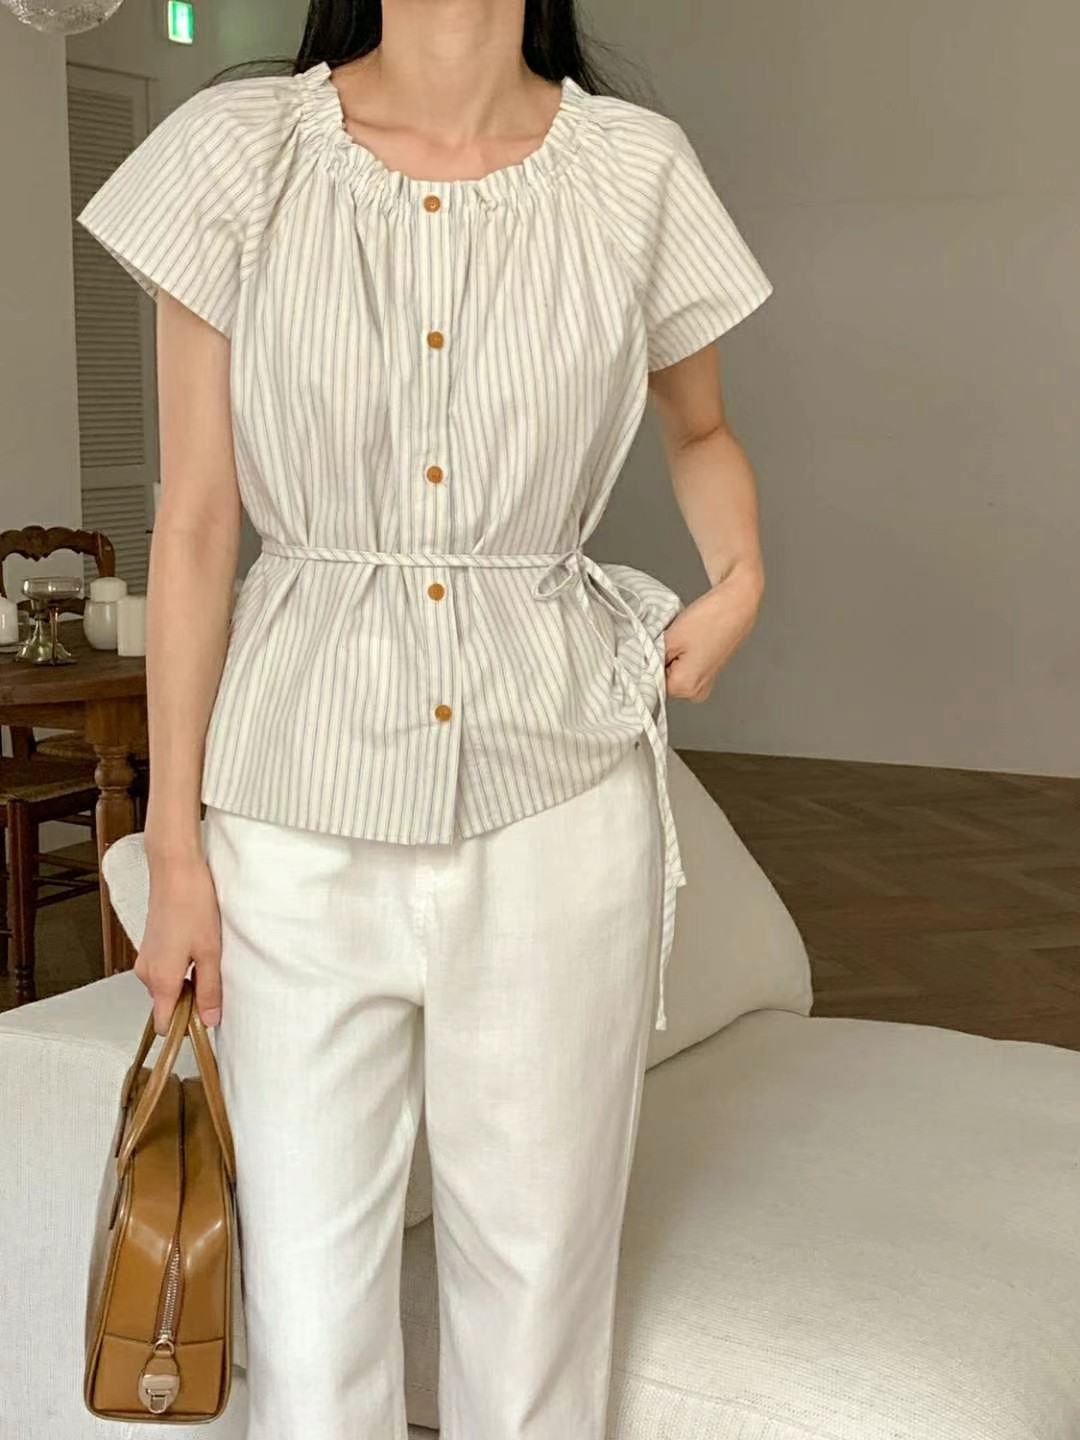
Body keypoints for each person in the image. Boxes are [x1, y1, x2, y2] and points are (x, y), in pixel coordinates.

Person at [77, 1, 772, 1435]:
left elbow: (700, 426)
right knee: (309, 1314)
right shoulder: (239, 152)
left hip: (559, 798)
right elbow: (195, 521)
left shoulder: (635, 170)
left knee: (538, 1293)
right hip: (292, 807)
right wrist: (177, 850)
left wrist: (745, 574)